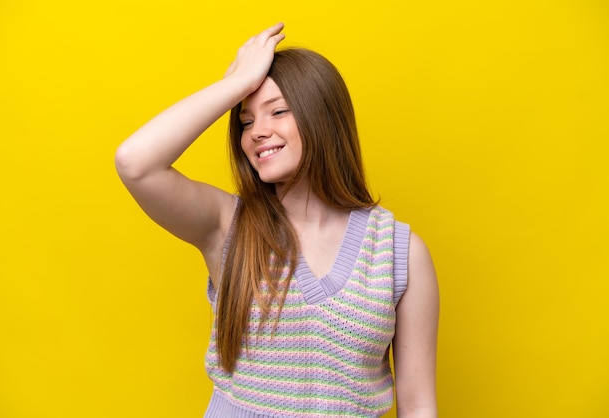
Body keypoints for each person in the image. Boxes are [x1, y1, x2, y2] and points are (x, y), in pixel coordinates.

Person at [115, 23, 439, 418]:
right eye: (247, 121)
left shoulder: (399, 254)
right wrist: (237, 83)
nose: (257, 133)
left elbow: (418, 403)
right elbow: (135, 162)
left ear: (322, 117)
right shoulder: (228, 226)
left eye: (278, 112)